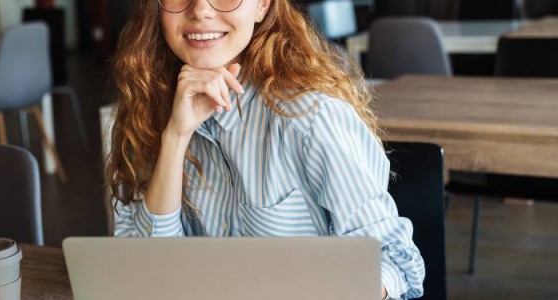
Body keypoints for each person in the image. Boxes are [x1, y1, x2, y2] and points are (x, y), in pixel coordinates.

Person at [105, 0, 425, 298]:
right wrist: (175, 136)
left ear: (262, 5)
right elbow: (145, 274)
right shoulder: (145, 111)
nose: (200, 10)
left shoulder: (311, 119)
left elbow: (394, 262)